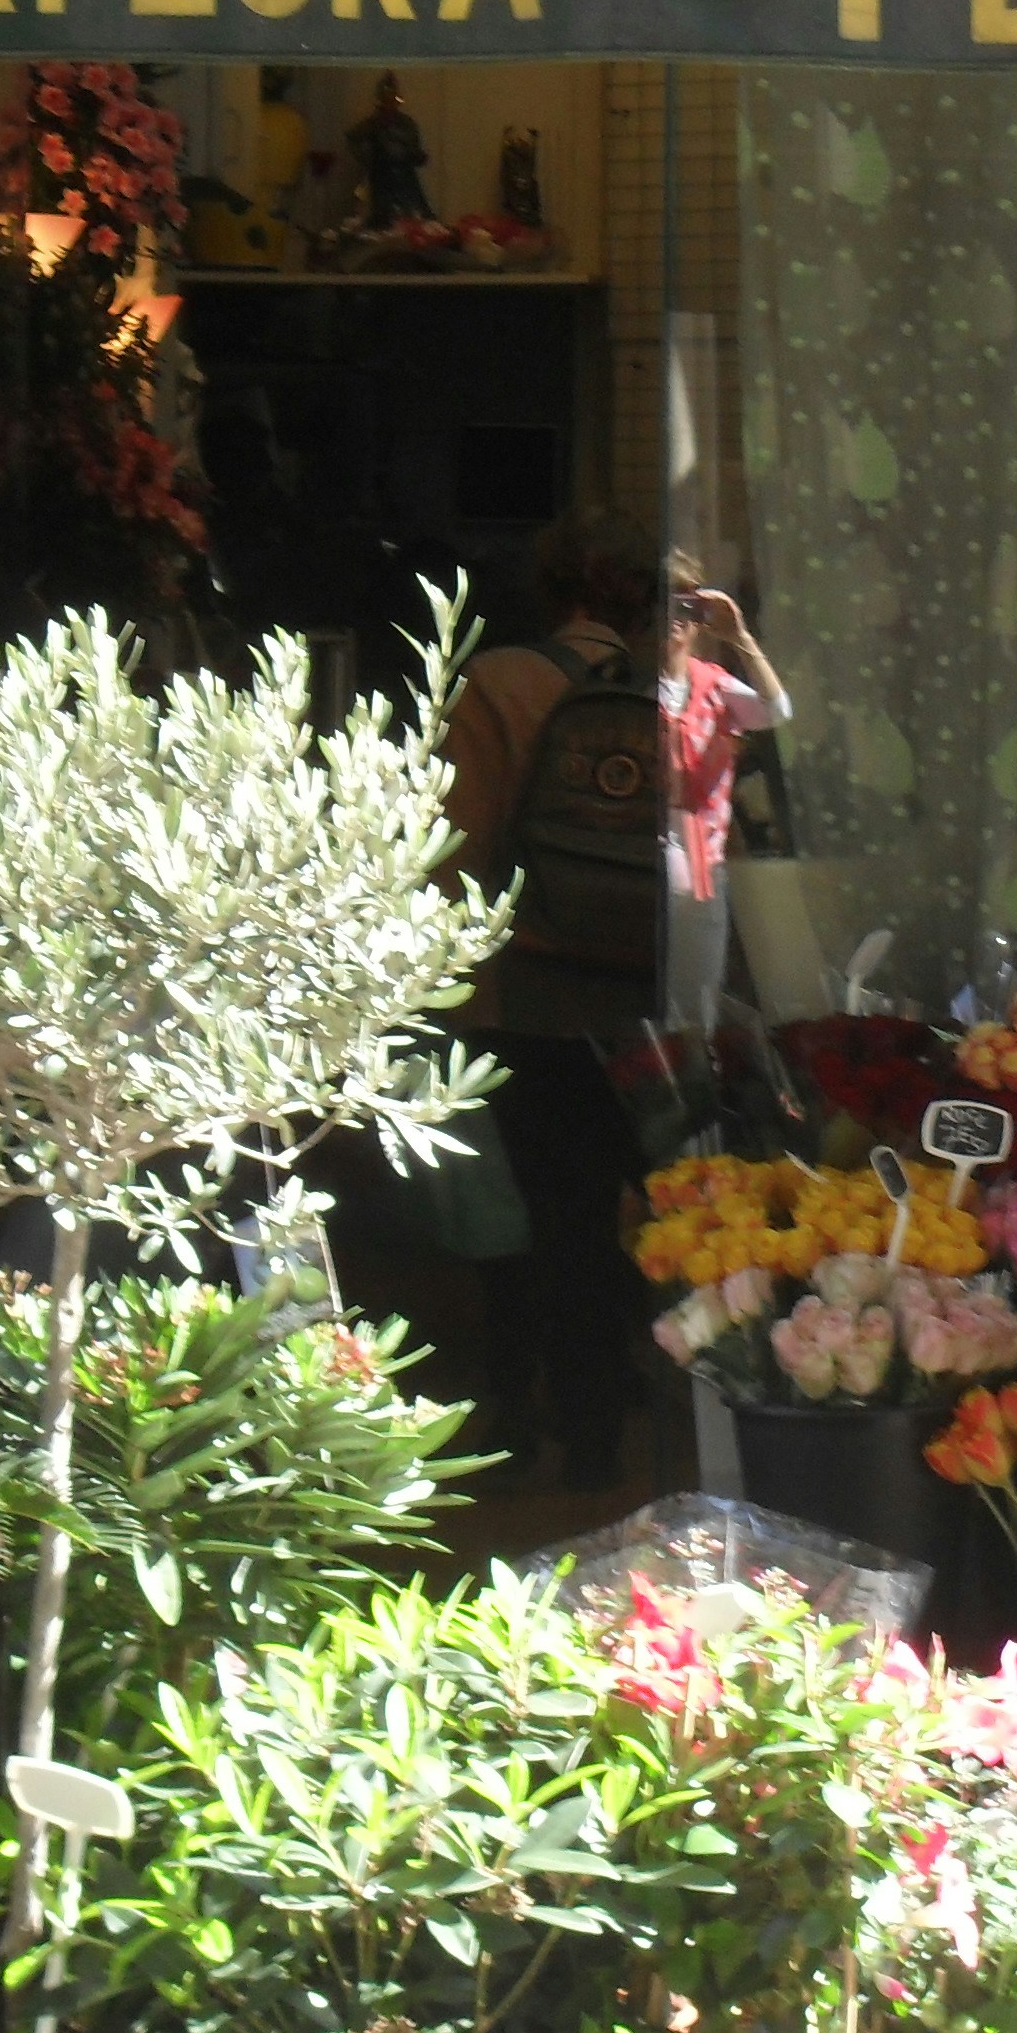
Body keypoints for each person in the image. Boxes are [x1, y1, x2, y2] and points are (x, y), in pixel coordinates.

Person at [438, 509, 665, 1485]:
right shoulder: (669, 697)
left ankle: (518, 1413)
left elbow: (456, 847)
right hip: (636, 997)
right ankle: (601, 1415)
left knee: (518, 1219)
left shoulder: (496, 684)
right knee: (604, 1206)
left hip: (519, 992)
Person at [660, 557, 788, 1012]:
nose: (675, 618)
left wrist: (740, 637)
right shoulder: (632, 683)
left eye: (687, 607)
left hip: (701, 866)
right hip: (643, 863)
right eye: (664, 603)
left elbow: (777, 711)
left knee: (697, 1010)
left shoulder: (712, 684)